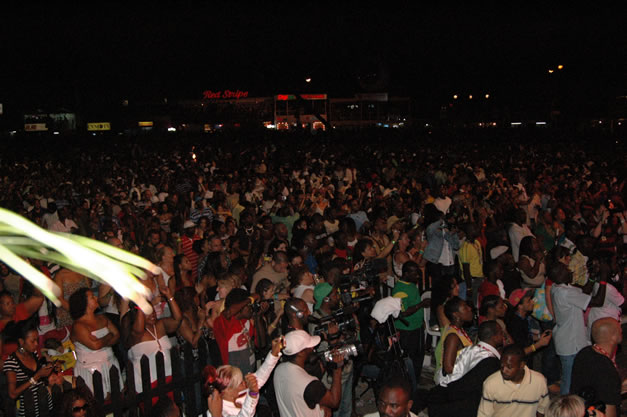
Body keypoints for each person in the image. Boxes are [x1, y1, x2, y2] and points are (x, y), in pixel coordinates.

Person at [549, 262, 606, 395]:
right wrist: (603, 279)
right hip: (571, 344)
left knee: (572, 379)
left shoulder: (557, 287)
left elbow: (583, 292)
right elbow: (598, 301)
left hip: (568, 341)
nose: (570, 271)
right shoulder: (565, 293)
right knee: (568, 383)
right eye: (565, 269)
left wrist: (591, 278)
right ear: (559, 275)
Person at [428, 321, 503, 417]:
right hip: (457, 401)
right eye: (501, 333)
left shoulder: (472, 349)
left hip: (448, 391)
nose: (503, 336)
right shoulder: (489, 361)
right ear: (494, 337)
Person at [202, 337, 283, 417]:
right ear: (228, 390)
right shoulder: (220, 411)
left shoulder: (237, 395)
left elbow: (260, 377)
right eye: (240, 383)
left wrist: (274, 353)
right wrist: (253, 393)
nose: (245, 383)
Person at [273, 329, 345, 417]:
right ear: (300, 353)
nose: (313, 348)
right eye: (309, 346)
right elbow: (334, 402)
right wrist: (337, 370)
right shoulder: (310, 384)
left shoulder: (278, 369)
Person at [127, 285, 182, 395]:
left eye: (152, 310)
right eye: (147, 311)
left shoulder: (160, 325)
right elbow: (138, 330)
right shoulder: (135, 334)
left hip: (168, 377)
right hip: (147, 385)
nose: (152, 314)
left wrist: (169, 297)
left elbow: (177, 319)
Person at [69, 288, 122, 397]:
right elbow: (95, 345)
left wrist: (101, 341)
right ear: (84, 303)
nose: (96, 298)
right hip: (90, 369)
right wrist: (109, 335)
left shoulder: (102, 318)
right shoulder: (79, 326)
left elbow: (117, 335)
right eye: (92, 297)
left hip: (110, 363)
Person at [478, 344, 550, 417]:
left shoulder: (539, 381)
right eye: (502, 365)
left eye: (509, 367)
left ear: (522, 365)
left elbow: (543, 410)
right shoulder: (491, 383)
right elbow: (484, 414)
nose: (504, 370)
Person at [570, 318, 622, 417]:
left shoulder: (584, 353)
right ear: (614, 336)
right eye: (619, 329)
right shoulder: (606, 369)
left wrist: (618, 388)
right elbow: (609, 410)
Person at [2, 320, 54, 417]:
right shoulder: (12, 362)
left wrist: (48, 369)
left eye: (37, 340)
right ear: (21, 341)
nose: (36, 344)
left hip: (44, 406)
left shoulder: (33, 353)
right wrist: (36, 377)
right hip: (28, 410)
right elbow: (12, 394)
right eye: (32, 341)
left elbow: (40, 377)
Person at [392, 261, 430, 390]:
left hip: (416, 327)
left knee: (419, 356)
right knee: (409, 360)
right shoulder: (399, 289)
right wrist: (421, 305)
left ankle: (415, 383)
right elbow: (402, 312)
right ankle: (407, 385)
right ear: (406, 273)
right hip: (406, 330)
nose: (418, 276)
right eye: (414, 273)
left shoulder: (411, 285)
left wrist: (421, 320)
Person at [434, 296, 473, 384]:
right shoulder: (453, 336)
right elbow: (448, 368)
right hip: (453, 383)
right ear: (456, 314)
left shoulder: (456, 329)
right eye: (465, 308)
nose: (469, 309)